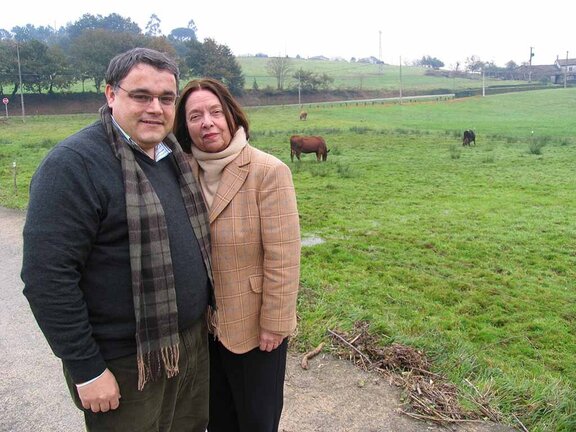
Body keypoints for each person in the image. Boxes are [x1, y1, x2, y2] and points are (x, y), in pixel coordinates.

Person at [21, 47, 214, 432]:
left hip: (190, 346)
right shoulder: (73, 165)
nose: (155, 108)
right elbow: (47, 279)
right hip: (126, 362)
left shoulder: (171, 155)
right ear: (111, 94)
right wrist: (87, 369)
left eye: (166, 98)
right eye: (141, 96)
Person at [173, 78, 301, 432]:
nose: (207, 123)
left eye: (215, 112)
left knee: (257, 421)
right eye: (195, 116)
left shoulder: (268, 171)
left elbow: (283, 257)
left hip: (255, 326)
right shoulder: (183, 172)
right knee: (217, 419)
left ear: (231, 115)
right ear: (184, 127)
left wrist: (274, 323)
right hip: (202, 329)